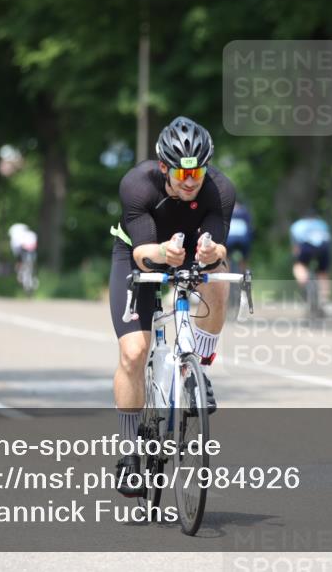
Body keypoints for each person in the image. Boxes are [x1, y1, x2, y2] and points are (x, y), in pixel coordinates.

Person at [108, 116, 235, 496]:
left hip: (192, 252)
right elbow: (146, 253)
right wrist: (164, 252)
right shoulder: (137, 185)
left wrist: (211, 253)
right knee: (134, 352)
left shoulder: (221, 190)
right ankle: (129, 452)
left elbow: (220, 247)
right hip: (139, 254)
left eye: (198, 169)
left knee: (220, 272)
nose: (191, 178)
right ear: (164, 166)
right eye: (182, 170)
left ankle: (201, 369)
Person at [289, 209, 332, 305]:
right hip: (324, 247)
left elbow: (295, 247)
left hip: (306, 246)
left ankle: (305, 282)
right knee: (323, 272)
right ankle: (324, 298)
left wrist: (296, 256)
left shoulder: (297, 225)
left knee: (299, 266)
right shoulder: (322, 224)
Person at [226, 200, 253, 272]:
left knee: (225, 257)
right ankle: (245, 276)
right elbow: (250, 227)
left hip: (230, 239)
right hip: (243, 240)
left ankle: (227, 277)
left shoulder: (227, 210)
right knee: (245, 259)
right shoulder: (244, 211)